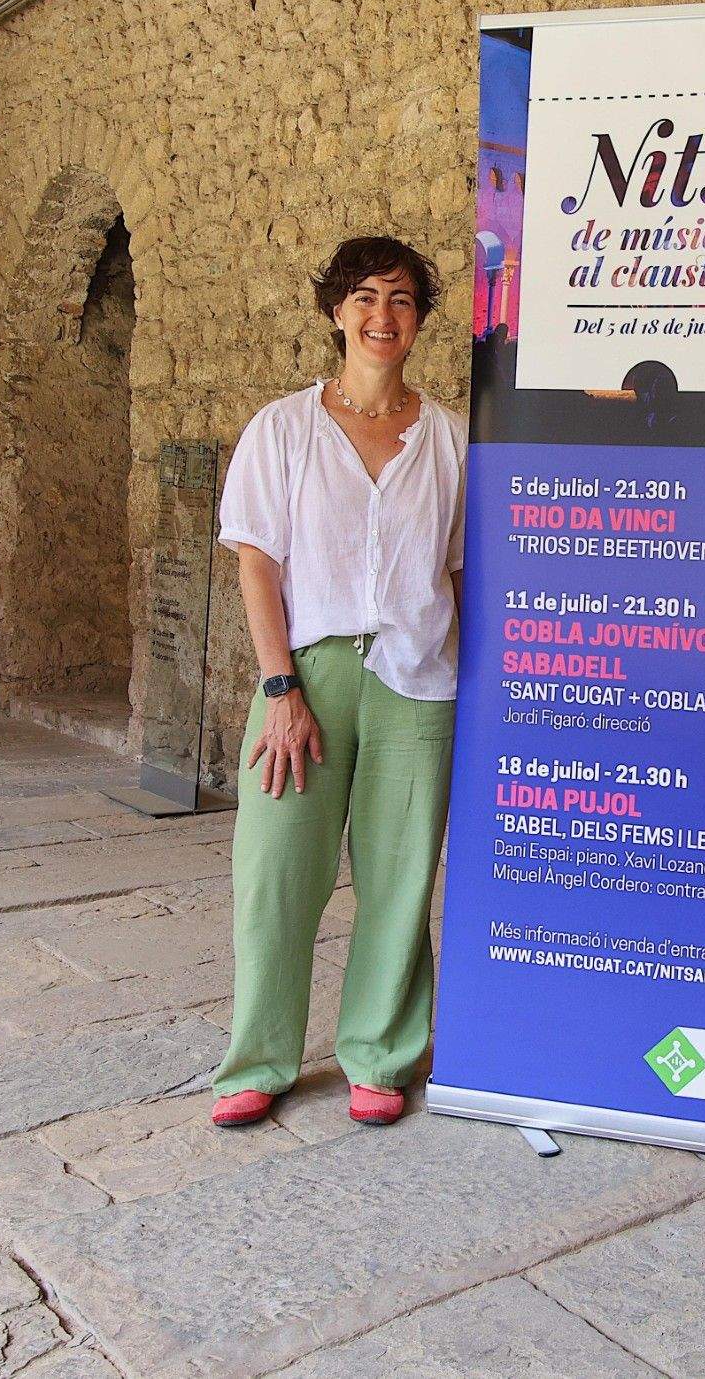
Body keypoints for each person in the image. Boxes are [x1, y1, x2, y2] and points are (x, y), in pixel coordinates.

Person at [209, 236, 468, 1131]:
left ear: (421, 319)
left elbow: (463, 573)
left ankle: (380, 1052)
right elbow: (255, 563)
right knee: (276, 868)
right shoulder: (283, 428)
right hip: (305, 677)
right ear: (335, 312)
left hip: (417, 680)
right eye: (363, 297)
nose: (381, 316)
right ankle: (261, 1057)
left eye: (400, 299)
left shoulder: (450, 440)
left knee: (400, 877)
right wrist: (279, 689)